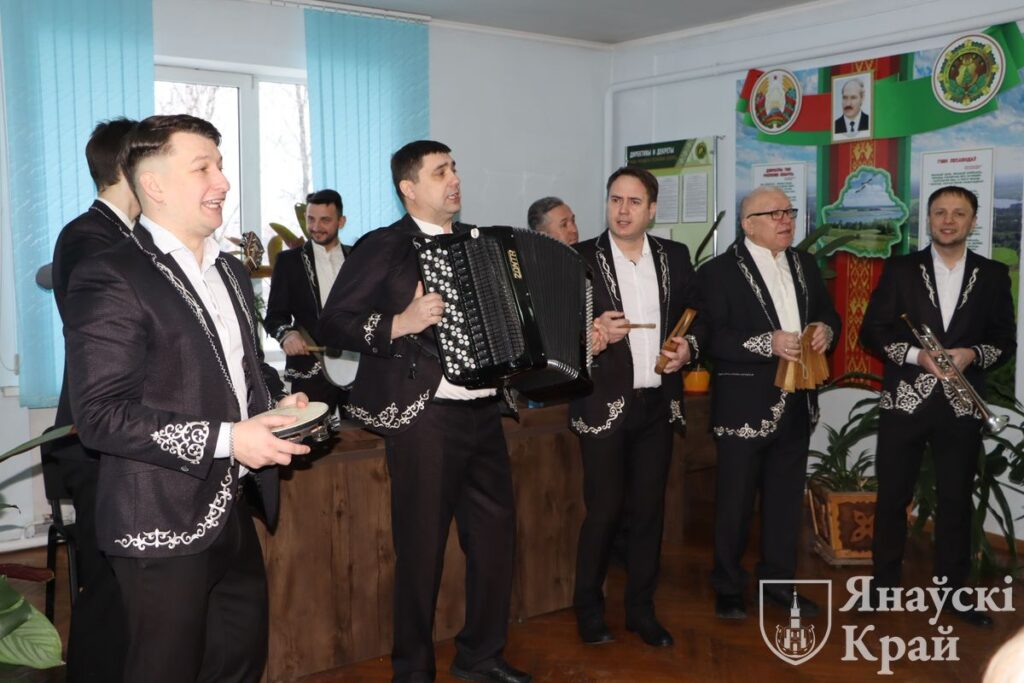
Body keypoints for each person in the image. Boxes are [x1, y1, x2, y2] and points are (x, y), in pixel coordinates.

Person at [64, 114, 311, 682]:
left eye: (219, 165)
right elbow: (100, 416)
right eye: (203, 168)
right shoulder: (111, 273)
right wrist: (230, 439)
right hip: (158, 520)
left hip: (233, 510)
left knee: (239, 665)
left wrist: (278, 405)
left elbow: (242, 373)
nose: (222, 181)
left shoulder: (230, 270)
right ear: (154, 185)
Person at [317, 140, 531, 683]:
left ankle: (481, 656)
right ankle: (413, 670)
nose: (454, 178)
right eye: (440, 172)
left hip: (484, 412)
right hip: (425, 417)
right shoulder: (384, 245)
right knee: (421, 550)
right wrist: (400, 323)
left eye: (454, 168)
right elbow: (334, 322)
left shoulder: (481, 242)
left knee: (496, 542)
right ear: (408, 188)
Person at [860, 185, 1015, 628]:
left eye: (958, 213)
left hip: (961, 407)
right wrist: (916, 356)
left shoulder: (992, 275)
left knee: (955, 501)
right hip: (905, 402)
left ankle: (953, 593)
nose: (948, 220)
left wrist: (971, 354)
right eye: (940, 212)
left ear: (973, 221)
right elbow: (872, 332)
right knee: (892, 497)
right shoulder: (900, 269)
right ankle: (883, 587)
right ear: (928, 219)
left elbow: (1005, 341)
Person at [569, 166, 699, 648]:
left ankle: (641, 611)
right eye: (615, 200)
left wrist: (689, 350)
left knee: (649, 514)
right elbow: (555, 336)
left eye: (634, 202)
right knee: (603, 512)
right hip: (602, 405)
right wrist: (593, 335)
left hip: (657, 406)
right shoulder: (579, 259)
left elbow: (698, 319)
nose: (623, 210)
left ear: (652, 209)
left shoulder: (674, 256)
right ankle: (588, 609)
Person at [698, 186, 840, 620]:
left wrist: (826, 331)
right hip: (744, 405)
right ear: (748, 224)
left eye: (789, 212)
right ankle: (727, 586)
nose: (786, 220)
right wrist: (768, 343)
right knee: (735, 503)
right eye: (774, 214)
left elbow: (828, 314)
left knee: (784, 501)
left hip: (797, 401)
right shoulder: (718, 272)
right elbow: (711, 338)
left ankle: (778, 584)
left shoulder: (805, 264)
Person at [50, 116, 138, 682]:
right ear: (131, 168)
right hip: (96, 441)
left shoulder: (129, 236)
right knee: (107, 591)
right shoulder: (87, 237)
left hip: (125, 439)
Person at [265, 188, 353, 415]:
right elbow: (274, 316)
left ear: (341, 221)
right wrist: (288, 335)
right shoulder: (288, 262)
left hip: (358, 369)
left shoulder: (358, 259)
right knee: (312, 436)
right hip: (310, 370)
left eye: (325, 220)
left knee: (361, 435)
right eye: (311, 219)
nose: (315, 227)